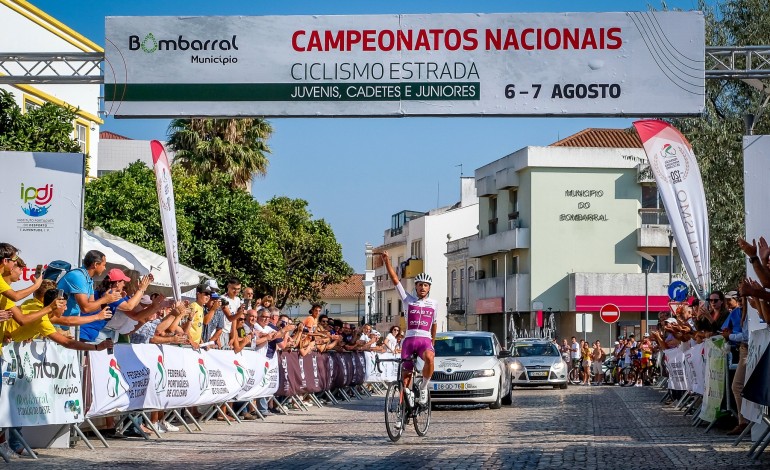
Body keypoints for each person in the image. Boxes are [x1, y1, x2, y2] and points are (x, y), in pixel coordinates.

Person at [381, 251, 436, 406]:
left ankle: (424, 388)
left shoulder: (434, 304)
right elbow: (395, 280)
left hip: (425, 340)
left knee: (430, 359)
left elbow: (435, 324)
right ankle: (403, 410)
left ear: (429, 288)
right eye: (420, 285)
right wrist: (387, 262)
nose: (422, 288)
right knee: (406, 378)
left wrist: (433, 342)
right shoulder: (407, 300)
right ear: (416, 287)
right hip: (409, 340)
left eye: (425, 285)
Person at [54, 250, 122, 330]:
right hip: (56, 325)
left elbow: (91, 306)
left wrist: (108, 300)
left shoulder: (88, 279)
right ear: (96, 264)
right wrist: (104, 299)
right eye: (104, 265)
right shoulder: (78, 277)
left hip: (64, 326)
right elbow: (86, 308)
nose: (105, 268)